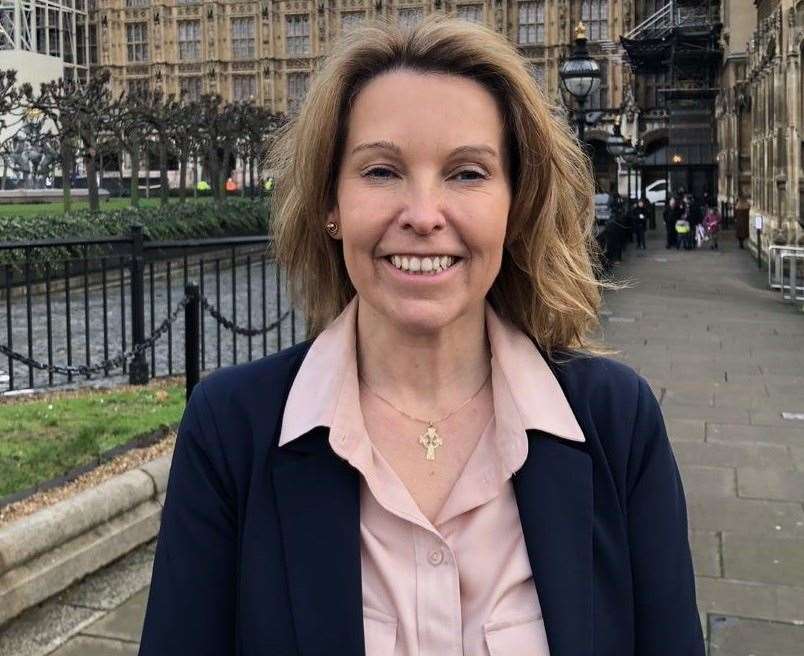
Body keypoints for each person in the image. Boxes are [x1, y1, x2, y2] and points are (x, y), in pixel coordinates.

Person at [139, 16, 704, 656]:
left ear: (516, 204)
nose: (423, 216)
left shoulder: (616, 423)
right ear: (330, 204)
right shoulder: (231, 430)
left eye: (467, 174)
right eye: (381, 171)